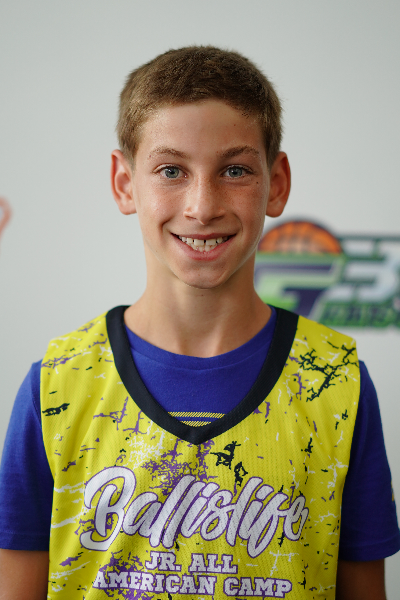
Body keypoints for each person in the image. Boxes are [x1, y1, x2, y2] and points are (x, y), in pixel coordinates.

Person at [0, 46, 399, 600]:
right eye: (171, 171)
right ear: (124, 183)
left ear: (277, 182)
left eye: (235, 170)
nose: (202, 205)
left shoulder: (336, 382)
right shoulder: (57, 385)